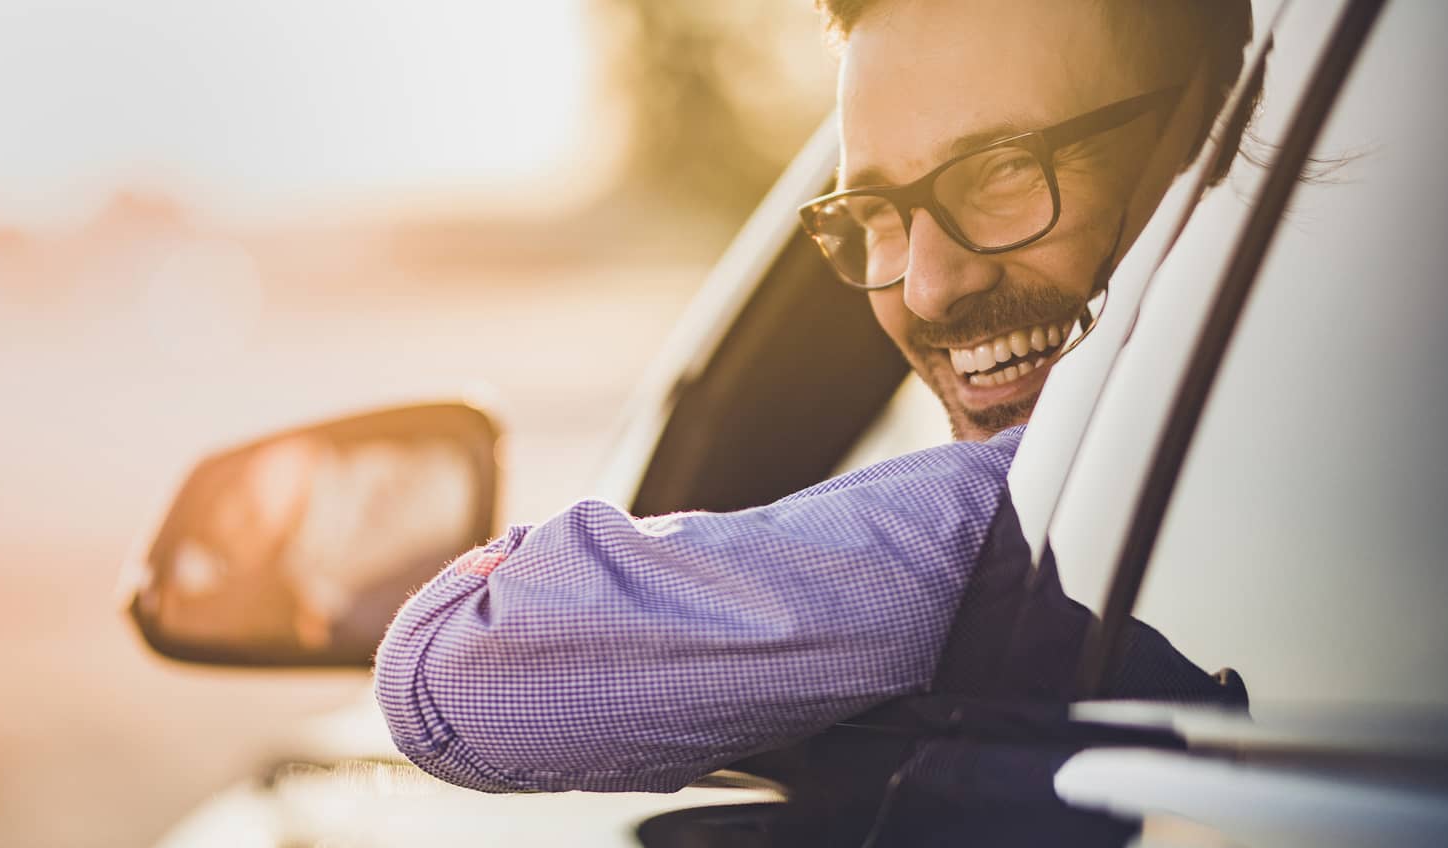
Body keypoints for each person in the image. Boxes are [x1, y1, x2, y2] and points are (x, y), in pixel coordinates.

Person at [373, 0, 1254, 793]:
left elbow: (460, 667)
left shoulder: (1073, 512)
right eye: (875, 210)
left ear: (1208, 147)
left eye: (1001, 170)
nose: (926, 288)